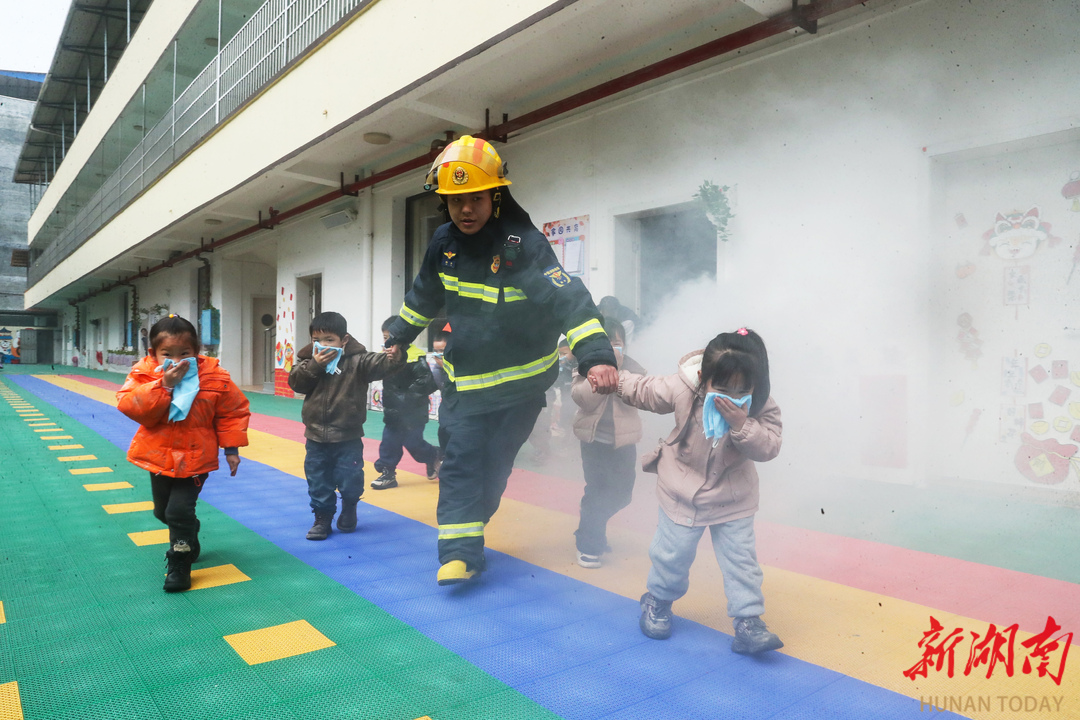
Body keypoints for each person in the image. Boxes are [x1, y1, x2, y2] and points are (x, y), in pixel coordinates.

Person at [383, 134, 619, 586]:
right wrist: (398, 336)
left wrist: (595, 355)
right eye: (455, 202)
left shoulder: (521, 245)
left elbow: (569, 301)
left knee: (492, 473)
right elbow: (423, 296)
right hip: (466, 389)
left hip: (518, 392)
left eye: (474, 198)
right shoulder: (443, 244)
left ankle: (471, 535)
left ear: (495, 194)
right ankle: (459, 554)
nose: (465, 210)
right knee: (461, 465)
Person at [617, 328, 784, 654]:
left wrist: (742, 425)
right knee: (672, 555)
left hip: (734, 496)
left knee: (741, 561)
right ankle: (658, 600)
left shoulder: (761, 405)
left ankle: (748, 622)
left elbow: (770, 446)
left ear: (756, 383)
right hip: (683, 490)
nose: (731, 397)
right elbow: (646, 391)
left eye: (742, 389)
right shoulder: (685, 388)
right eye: (721, 387)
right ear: (703, 378)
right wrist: (614, 380)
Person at [116, 315, 250, 592]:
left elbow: (232, 412)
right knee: (162, 512)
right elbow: (131, 406)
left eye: (184, 354)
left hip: (196, 456)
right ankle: (189, 532)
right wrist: (162, 385)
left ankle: (179, 563)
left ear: (196, 351)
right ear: (153, 353)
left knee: (178, 511)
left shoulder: (214, 376)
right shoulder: (144, 374)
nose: (177, 361)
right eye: (168, 354)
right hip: (159, 455)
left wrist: (231, 448)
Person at [288, 311, 404, 540]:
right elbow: (296, 383)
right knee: (317, 479)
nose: (322, 345)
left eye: (329, 340)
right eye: (316, 340)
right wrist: (314, 366)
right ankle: (322, 518)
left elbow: (380, 363)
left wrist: (394, 357)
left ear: (344, 340)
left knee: (350, 476)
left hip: (347, 435)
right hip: (315, 436)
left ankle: (350, 506)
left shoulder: (357, 360)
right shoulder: (306, 360)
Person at [570, 320, 645, 568]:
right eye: (606, 344)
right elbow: (583, 400)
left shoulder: (635, 368)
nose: (612, 349)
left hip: (624, 443)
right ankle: (588, 545)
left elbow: (640, 398)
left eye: (617, 344)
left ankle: (592, 525)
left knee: (623, 494)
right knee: (598, 490)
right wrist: (600, 375)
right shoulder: (584, 367)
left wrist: (619, 374)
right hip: (594, 443)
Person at [372, 316, 440, 489]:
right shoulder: (385, 357)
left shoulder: (416, 357)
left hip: (414, 413)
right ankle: (387, 473)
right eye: (384, 338)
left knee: (414, 444)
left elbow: (427, 383)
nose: (386, 342)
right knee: (389, 442)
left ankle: (433, 455)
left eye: (390, 338)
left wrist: (406, 399)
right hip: (393, 412)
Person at [428, 328, 451, 461]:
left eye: (442, 351)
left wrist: (446, 367)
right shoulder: (436, 367)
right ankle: (444, 458)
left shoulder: (460, 364)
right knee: (443, 431)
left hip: (464, 404)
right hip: (447, 404)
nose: (438, 355)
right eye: (436, 351)